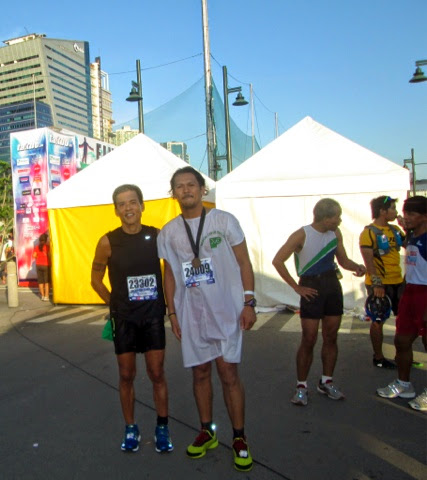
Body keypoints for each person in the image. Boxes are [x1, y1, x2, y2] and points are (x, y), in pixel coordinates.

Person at [157, 166, 256, 472]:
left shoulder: (224, 221)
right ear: (173, 193)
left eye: (191, 184)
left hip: (226, 310)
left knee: (228, 373)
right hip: (191, 313)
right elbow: (170, 274)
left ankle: (239, 437)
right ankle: (207, 431)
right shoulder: (169, 232)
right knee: (200, 372)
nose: (186, 190)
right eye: (179, 186)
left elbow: (244, 262)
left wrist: (249, 302)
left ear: (202, 189)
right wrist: (172, 312)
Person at [91, 184, 173, 454]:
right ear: (116, 210)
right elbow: (95, 280)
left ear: (142, 205)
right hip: (125, 319)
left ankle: (162, 428)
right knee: (126, 375)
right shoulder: (107, 242)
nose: (128, 208)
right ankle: (131, 428)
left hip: (152, 316)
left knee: (157, 373)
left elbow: (171, 272)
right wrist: (114, 304)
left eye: (133, 202)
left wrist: (171, 307)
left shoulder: (157, 236)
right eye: (122, 204)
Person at [272, 198, 366, 406]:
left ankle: (326, 381)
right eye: (337, 217)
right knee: (309, 338)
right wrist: (296, 287)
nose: (340, 221)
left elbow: (343, 261)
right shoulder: (301, 234)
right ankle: (301, 386)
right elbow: (277, 261)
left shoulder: (335, 233)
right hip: (311, 286)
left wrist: (356, 267)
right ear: (325, 218)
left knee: (331, 336)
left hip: (332, 285)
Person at [377, 196, 427, 411]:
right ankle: (404, 384)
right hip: (411, 292)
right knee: (402, 340)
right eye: (405, 213)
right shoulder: (412, 235)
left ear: (425, 217)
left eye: (411, 214)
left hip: (425, 293)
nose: (406, 218)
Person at [359, 196, 405, 369]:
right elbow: (368, 260)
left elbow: (410, 244)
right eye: (392, 208)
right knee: (378, 320)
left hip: (398, 281)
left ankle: (401, 355)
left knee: (403, 320)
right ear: (382, 211)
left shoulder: (395, 230)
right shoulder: (369, 232)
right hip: (379, 283)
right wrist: (377, 283)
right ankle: (378, 357)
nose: (396, 212)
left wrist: (406, 227)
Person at [33, 233, 50, 301]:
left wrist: (39, 257)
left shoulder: (37, 247)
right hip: (46, 265)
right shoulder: (47, 247)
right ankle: (46, 296)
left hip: (38, 265)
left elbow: (34, 255)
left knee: (41, 282)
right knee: (46, 282)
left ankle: (42, 296)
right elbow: (49, 256)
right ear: (46, 240)